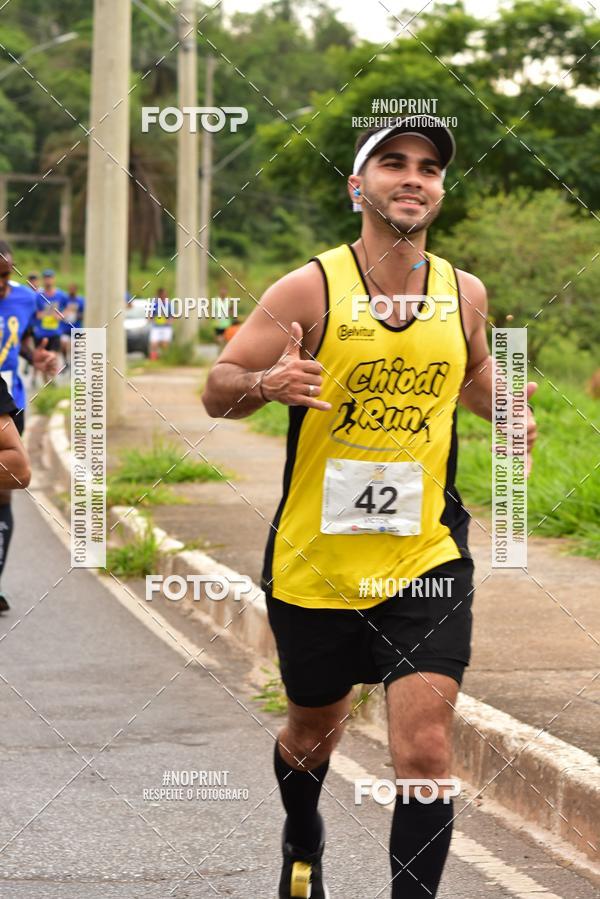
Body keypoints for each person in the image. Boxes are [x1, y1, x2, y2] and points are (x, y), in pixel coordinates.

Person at [201, 119, 538, 898]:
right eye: (393, 164)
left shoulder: (465, 292)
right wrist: (264, 385)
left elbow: (473, 373)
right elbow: (219, 385)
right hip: (316, 560)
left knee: (423, 747)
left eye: (428, 168)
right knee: (314, 730)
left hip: (425, 558)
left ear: (441, 191)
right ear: (359, 186)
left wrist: (508, 410)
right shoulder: (308, 288)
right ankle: (302, 835)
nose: (413, 177)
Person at [0, 242, 58, 612]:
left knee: (4, 489)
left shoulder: (24, 299)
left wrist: (36, 356)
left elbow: (21, 340)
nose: (2, 284)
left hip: (8, 400)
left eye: (6, 275)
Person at [59, 283, 85, 370]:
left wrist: (76, 315)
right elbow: (59, 311)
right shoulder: (64, 300)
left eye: (73, 289)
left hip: (76, 327)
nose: (71, 291)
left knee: (76, 347)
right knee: (63, 344)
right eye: (70, 289)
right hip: (65, 327)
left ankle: (75, 364)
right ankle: (65, 361)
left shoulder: (81, 301)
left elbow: (84, 314)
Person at [148, 287, 173, 360]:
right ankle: (153, 359)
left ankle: (165, 359)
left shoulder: (168, 304)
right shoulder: (154, 303)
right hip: (156, 327)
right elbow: (150, 315)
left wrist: (169, 321)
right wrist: (151, 319)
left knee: (165, 344)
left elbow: (172, 316)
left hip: (166, 327)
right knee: (154, 344)